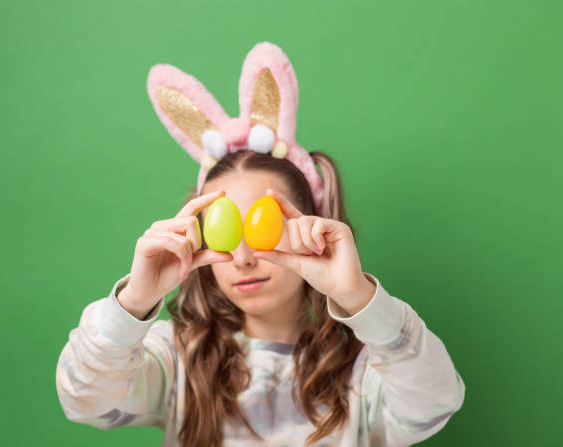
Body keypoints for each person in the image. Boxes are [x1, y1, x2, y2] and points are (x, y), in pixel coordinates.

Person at [55, 42, 465, 447]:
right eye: (225, 233)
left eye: (261, 228)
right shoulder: (177, 359)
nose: (244, 258)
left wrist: (357, 297)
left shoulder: (364, 371)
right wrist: (134, 302)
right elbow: (85, 400)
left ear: (310, 228)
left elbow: (434, 404)